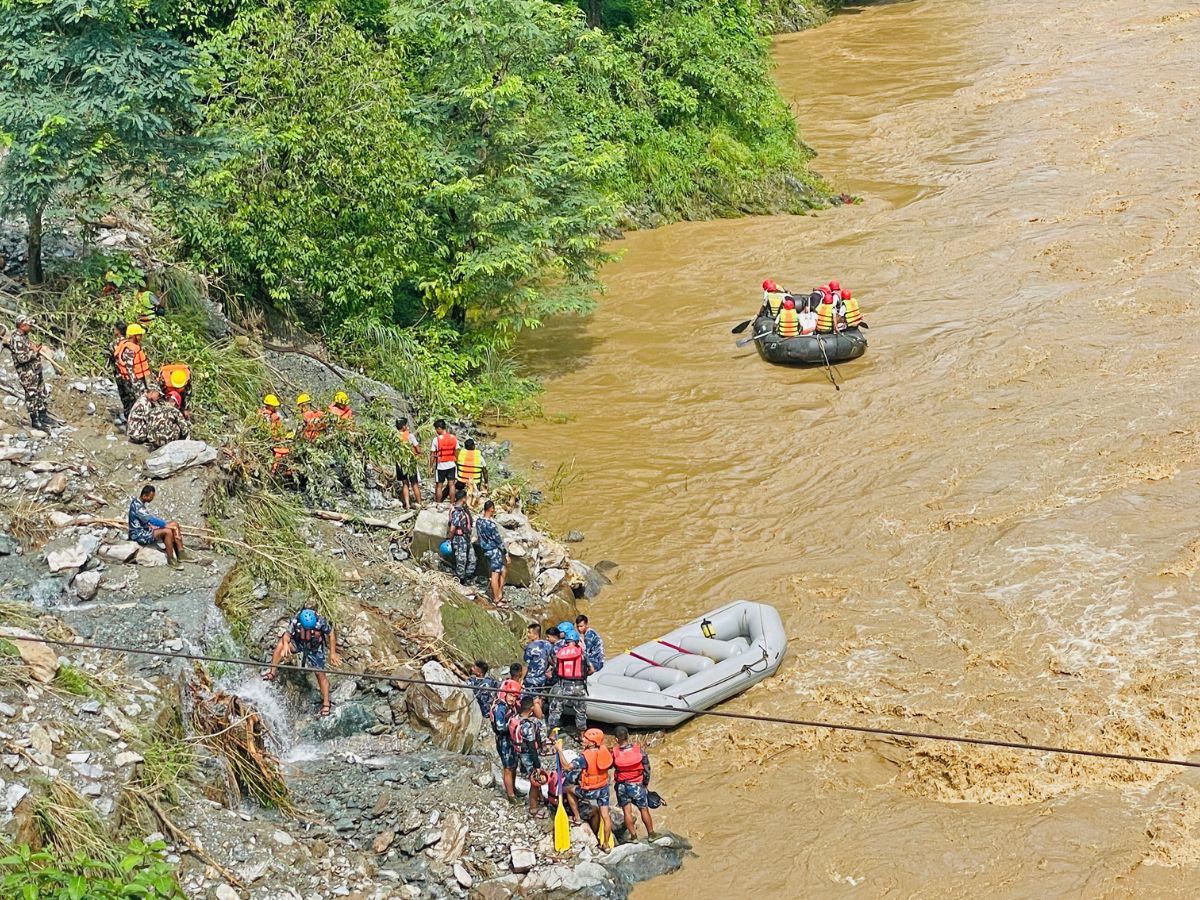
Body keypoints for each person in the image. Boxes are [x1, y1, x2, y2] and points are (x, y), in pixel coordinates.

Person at [263, 608, 341, 717]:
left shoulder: (321, 621)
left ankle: (326, 702)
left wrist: (332, 653)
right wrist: (286, 644)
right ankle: (272, 672)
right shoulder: (296, 620)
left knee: (320, 675)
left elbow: (331, 634)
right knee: (280, 646)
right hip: (299, 642)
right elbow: (286, 635)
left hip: (315, 648)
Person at [558, 728, 615, 847]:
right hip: (603, 789)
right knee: (605, 816)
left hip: (591, 791)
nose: (582, 739)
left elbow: (567, 767)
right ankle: (606, 844)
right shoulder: (604, 751)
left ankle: (577, 817)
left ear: (593, 742)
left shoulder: (584, 758)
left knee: (568, 788)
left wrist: (559, 751)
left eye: (586, 738)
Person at [6, 314, 54, 431]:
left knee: (41, 392)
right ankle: (35, 420)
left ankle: (43, 415)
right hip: (27, 373)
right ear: (23, 325)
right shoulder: (16, 338)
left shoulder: (25, 336)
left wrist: (34, 349)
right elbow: (21, 358)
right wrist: (35, 353)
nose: (31, 327)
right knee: (32, 395)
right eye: (29, 325)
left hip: (35, 370)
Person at [511, 696, 552, 819]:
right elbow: (532, 747)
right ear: (531, 709)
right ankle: (533, 808)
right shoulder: (528, 725)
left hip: (519, 752)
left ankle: (539, 798)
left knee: (534, 779)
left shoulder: (515, 719)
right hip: (528, 755)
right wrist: (538, 765)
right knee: (535, 780)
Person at [612, 725, 655, 839]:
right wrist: (645, 783)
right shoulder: (639, 751)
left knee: (627, 811)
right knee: (644, 809)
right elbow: (647, 768)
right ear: (628, 736)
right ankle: (651, 834)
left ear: (616, 740)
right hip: (637, 785)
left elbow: (611, 765)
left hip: (622, 785)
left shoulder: (614, 753)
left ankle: (633, 837)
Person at [128, 484, 186, 567]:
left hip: (146, 529)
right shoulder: (137, 506)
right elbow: (151, 519)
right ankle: (171, 559)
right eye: (150, 497)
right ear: (144, 496)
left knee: (174, 524)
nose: (152, 499)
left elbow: (145, 520)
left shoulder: (139, 503)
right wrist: (165, 525)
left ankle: (181, 554)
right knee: (167, 531)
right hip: (139, 534)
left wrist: (153, 525)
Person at [547, 622, 588, 733]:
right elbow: (591, 669)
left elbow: (556, 668)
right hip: (579, 687)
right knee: (581, 712)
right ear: (576, 641)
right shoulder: (582, 654)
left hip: (563, 686)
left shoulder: (560, 653)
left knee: (555, 710)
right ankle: (581, 735)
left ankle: (551, 734)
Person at [487, 677, 519, 802]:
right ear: (505, 694)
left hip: (512, 739)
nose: (513, 699)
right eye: (511, 696)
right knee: (508, 767)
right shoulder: (499, 708)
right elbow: (500, 727)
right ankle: (510, 796)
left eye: (515, 697)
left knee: (514, 765)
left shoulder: (510, 705)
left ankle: (514, 788)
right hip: (504, 740)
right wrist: (513, 725)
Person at [476, 500, 508, 606]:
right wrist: (505, 553)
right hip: (494, 551)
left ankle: (499, 593)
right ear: (491, 509)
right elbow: (498, 540)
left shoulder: (478, 522)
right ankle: (496, 599)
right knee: (495, 574)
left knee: (503, 570)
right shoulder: (491, 525)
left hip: (486, 551)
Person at [115, 323, 151, 405]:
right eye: (139, 335)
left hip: (138, 380)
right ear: (134, 336)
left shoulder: (134, 346)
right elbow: (130, 371)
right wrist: (137, 389)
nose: (141, 337)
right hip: (134, 383)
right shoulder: (130, 350)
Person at [523, 622, 553, 716]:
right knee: (539, 696)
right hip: (542, 677)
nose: (528, 635)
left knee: (534, 700)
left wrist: (521, 679)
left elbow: (526, 665)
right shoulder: (547, 644)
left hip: (532, 678)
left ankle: (539, 718)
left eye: (529, 632)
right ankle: (540, 714)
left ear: (535, 634)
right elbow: (550, 659)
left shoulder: (530, 647)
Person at [393, 417, 424, 509]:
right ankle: (419, 503)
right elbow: (418, 449)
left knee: (405, 484)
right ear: (403, 426)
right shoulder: (410, 436)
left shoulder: (394, 436)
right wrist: (419, 453)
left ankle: (407, 504)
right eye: (406, 425)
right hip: (410, 462)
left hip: (400, 463)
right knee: (414, 483)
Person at [448, 488, 475, 585]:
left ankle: (468, 577)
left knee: (472, 559)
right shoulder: (457, 512)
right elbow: (452, 528)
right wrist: (449, 540)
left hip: (466, 537)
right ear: (463, 498)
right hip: (459, 539)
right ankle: (461, 580)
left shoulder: (463, 509)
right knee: (461, 559)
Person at [108, 320, 133, 420]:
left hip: (120, 376)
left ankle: (129, 420)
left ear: (117, 331)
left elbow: (109, 360)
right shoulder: (130, 344)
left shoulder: (113, 344)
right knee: (133, 398)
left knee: (125, 399)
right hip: (132, 376)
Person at [429, 419, 459, 503]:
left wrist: (431, 466)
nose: (436, 431)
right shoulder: (453, 438)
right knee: (452, 485)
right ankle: (452, 503)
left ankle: (438, 504)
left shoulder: (436, 440)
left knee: (439, 486)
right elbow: (456, 452)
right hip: (451, 465)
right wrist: (456, 463)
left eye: (436, 429)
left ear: (439, 428)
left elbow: (432, 455)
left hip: (441, 465)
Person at [455, 438, 487, 502]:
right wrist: (486, 483)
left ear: (465, 447)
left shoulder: (460, 455)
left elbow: (456, 465)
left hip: (462, 480)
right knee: (481, 472)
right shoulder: (479, 457)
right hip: (474, 481)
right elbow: (485, 472)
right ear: (473, 446)